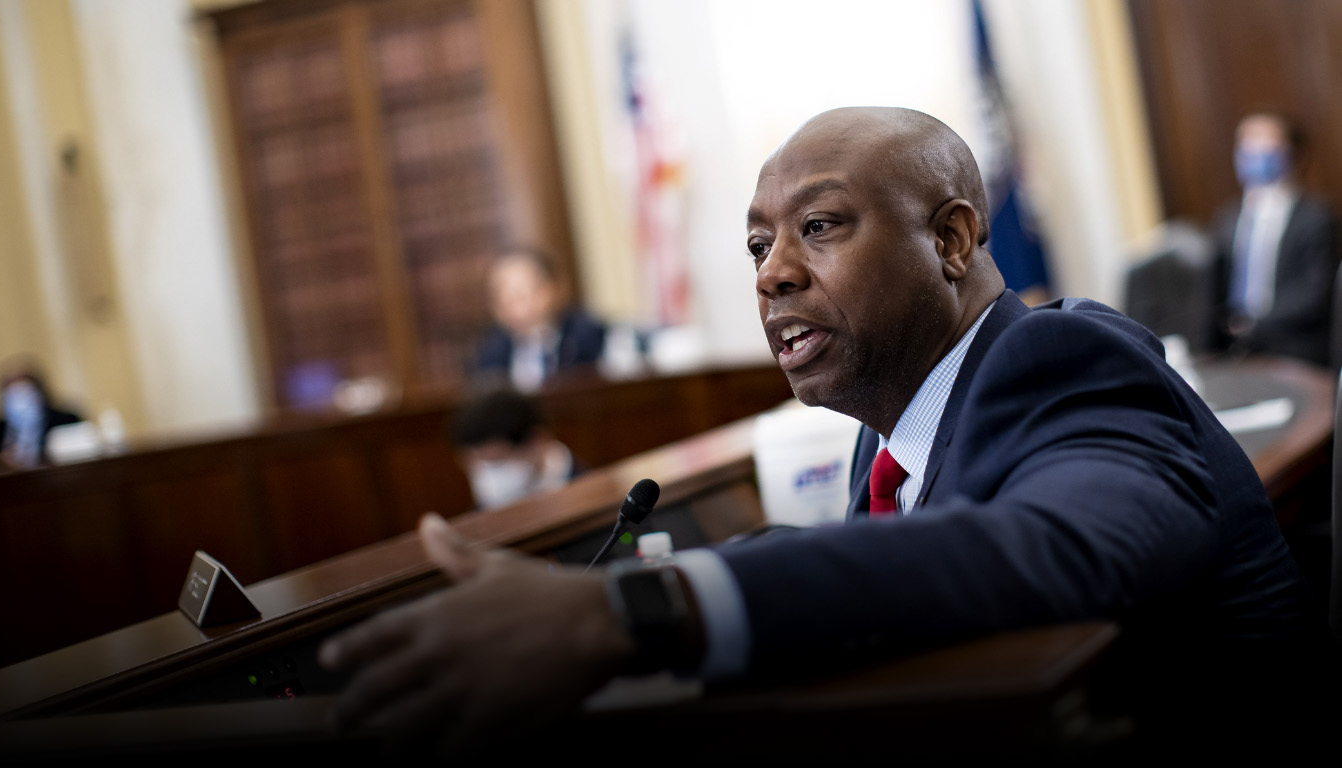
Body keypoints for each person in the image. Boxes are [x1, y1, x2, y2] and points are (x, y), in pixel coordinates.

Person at [318, 107, 1332, 759]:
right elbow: (898, 554)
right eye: (758, 245)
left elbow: (1052, 545)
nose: (771, 273)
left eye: (819, 226)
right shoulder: (884, 434)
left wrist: (633, 615)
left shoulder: (1065, 359)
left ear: (951, 239)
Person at [1210, 111, 1340, 367]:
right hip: (1234, 348)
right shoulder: (1228, 217)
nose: (1255, 151)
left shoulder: (1316, 217)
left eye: (1266, 143)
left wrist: (1255, 324)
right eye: (1247, 144)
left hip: (1295, 347)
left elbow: (1316, 292)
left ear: (1293, 154)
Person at [473, 247, 608, 392]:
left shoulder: (591, 337)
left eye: (521, 294)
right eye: (502, 297)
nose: (514, 307)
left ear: (555, 288)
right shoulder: (491, 354)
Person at [450, 387, 582, 509]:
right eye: (476, 463)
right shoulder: (487, 508)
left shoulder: (582, 490)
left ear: (537, 441)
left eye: (496, 463)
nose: (485, 473)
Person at [0, 356, 84, 471]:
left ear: (39, 394)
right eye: (12, 395)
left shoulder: (66, 422)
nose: (19, 402)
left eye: (25, 394)